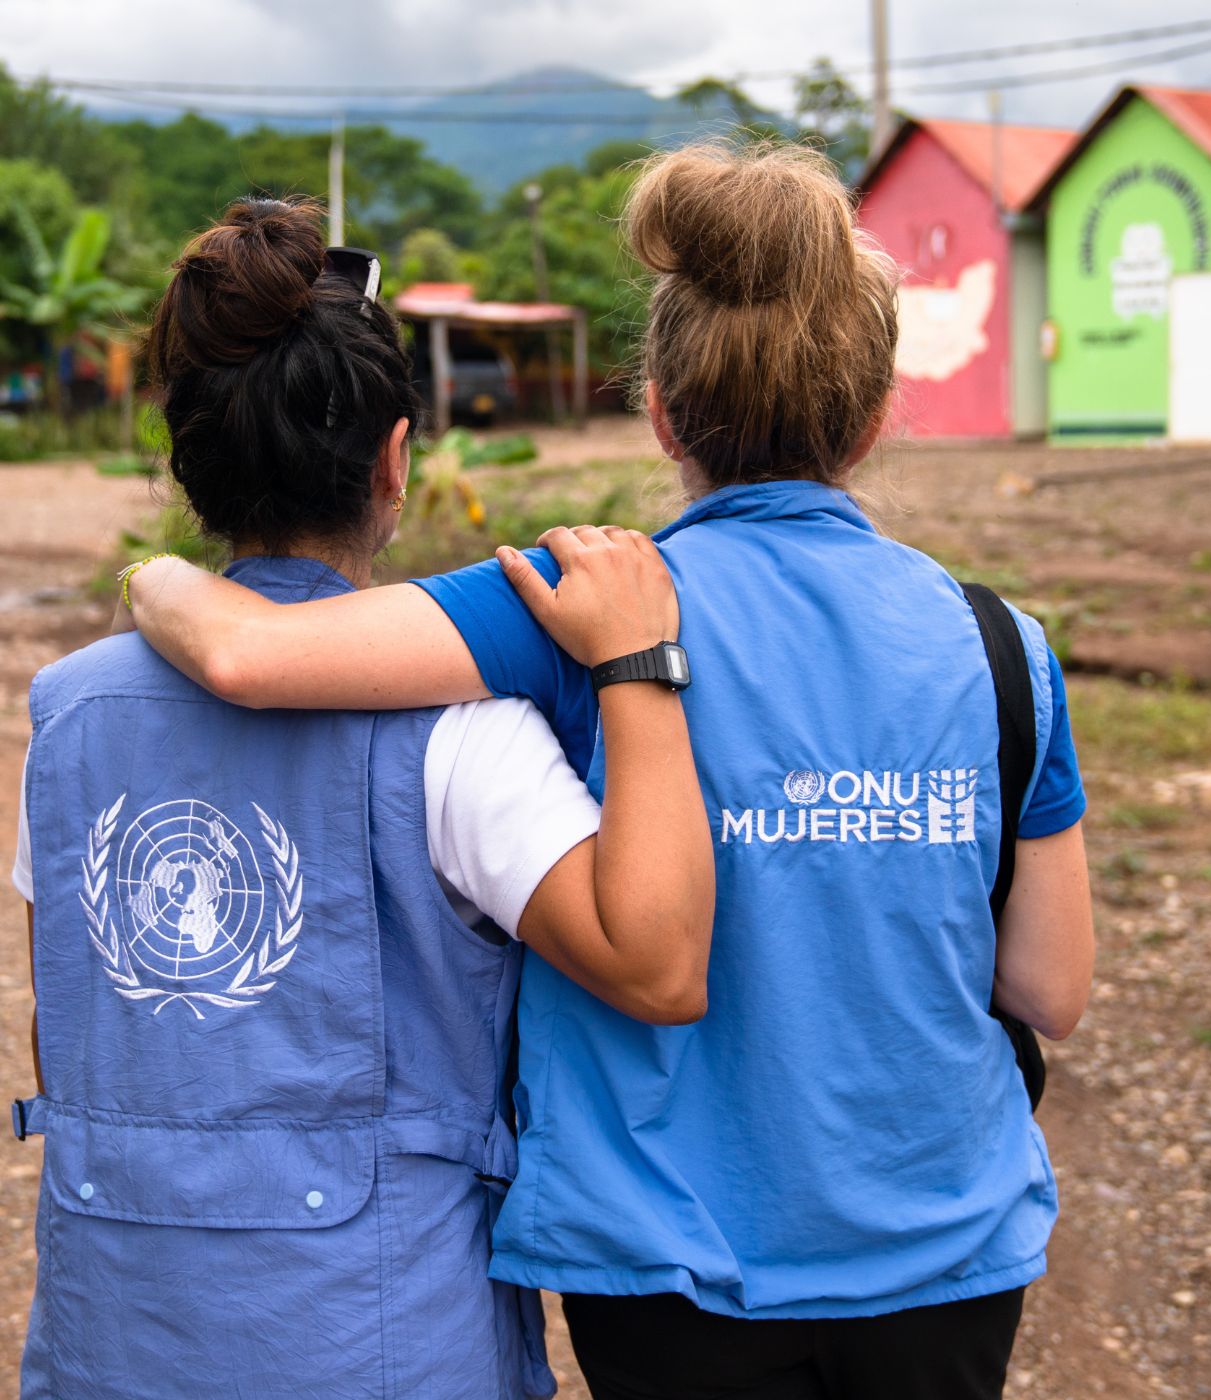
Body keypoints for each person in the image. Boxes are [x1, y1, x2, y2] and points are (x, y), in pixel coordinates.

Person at [123, 145, 1095, 1400]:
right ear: (870, 416)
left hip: (669, 1268)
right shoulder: (998, 645)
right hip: (947, 1257)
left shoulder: (566, 603)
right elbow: (1050, 986)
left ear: (660, 412)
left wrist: (151, 578)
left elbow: (251, 654)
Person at [10, 198, 714, 1400]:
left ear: (186, 461)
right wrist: (636, 670)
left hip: (108, 1338)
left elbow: (71, 1032)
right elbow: (655, 965)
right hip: (390, 1342)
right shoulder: (461, 737)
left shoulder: (66, 716)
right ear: (395, 458)